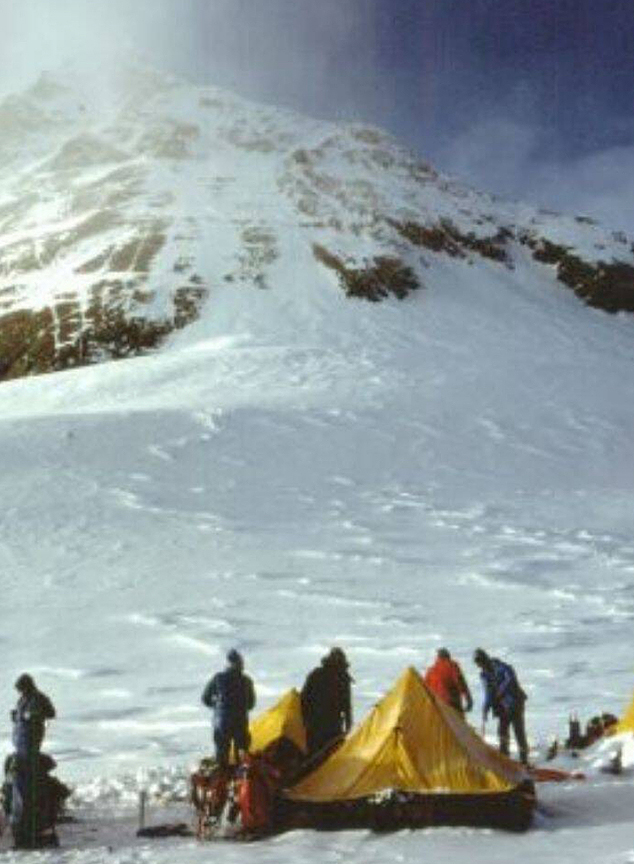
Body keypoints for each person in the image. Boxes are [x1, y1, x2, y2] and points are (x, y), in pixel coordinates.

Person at [473, 648, 529, 765]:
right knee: (502, 731)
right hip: (502, 707)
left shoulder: (502, 667)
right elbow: (488, 692)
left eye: (481, 662)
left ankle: (524, 759)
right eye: (478, 664)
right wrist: (486, 708)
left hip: (515, 703)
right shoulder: (484, 675)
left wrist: (499, 692)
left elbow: (510, 679)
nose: (480, 666)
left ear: (485, 659)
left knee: (519, 731)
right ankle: (505, 758)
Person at [201, 650, 256, 768]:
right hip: (240, 722)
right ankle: (241, 782)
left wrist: (217, 706)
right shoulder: (247, 681)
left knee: (222, 756)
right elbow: (251, 704)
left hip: (222, 723)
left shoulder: (218, 678)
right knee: (241, 757)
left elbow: (205, 698)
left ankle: (222, 780)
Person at [300, 647, 353, 754]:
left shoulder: (316, 674)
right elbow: (346, 705)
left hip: (319, 725)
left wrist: (305, 720)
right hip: (328, 727)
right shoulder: (342, 677)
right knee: (330, 760)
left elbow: (304, 699)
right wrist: (348, 726)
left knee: (316, 757)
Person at [11, 674, 56, 760]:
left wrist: (36, 715)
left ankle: (36, 771)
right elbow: (21, 715)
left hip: (33, 733)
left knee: (30, 757)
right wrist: (16, 716)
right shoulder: (22, 699)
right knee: (21, 757)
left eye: (22, 688)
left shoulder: (40, 698)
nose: (21, 692)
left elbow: (51, 713)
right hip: (21, 734)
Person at [424, 648, 473, 715]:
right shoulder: (452, 665)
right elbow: (460, 683)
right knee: (457, 723)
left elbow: (425, 688)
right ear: (448, 656)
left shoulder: (430, 671)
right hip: (452, 702)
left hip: (437, 705)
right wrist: (468, 699)